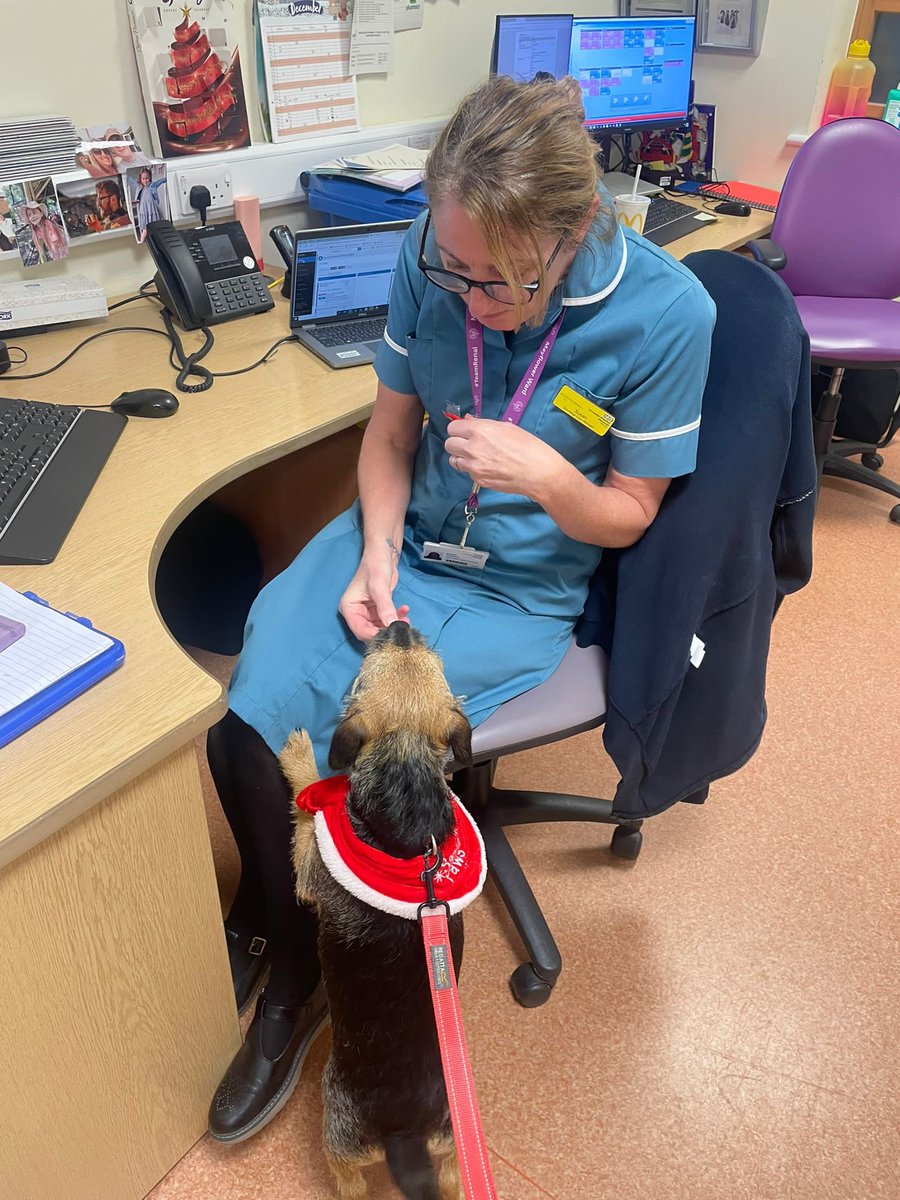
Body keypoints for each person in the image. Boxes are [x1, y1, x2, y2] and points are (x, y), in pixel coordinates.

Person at [205, 74, 716, 1144]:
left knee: (360, 732)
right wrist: (376, 554)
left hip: (519, 582)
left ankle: (326, 964)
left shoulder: (671, 314)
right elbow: (390, 438)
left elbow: (628, 515)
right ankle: (290, 981)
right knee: (247, 714)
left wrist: (548, 475)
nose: (467, 296)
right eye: (454, 269)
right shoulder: (433, 256)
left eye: (499, 283)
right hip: (405, 533)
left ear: (574, 230)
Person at [131, 167, 166, 242]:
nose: (145, 180)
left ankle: (157, 240)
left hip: (151, 208)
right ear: (140, 179)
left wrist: (166, 178)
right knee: (145, 229)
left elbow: (161, 181)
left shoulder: (152, 185)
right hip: (144, 210)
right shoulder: (140, 188)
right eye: (143, 179)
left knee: (155, 227)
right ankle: (141, 240)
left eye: (147, 178)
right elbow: (137, 198)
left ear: (150, 178)